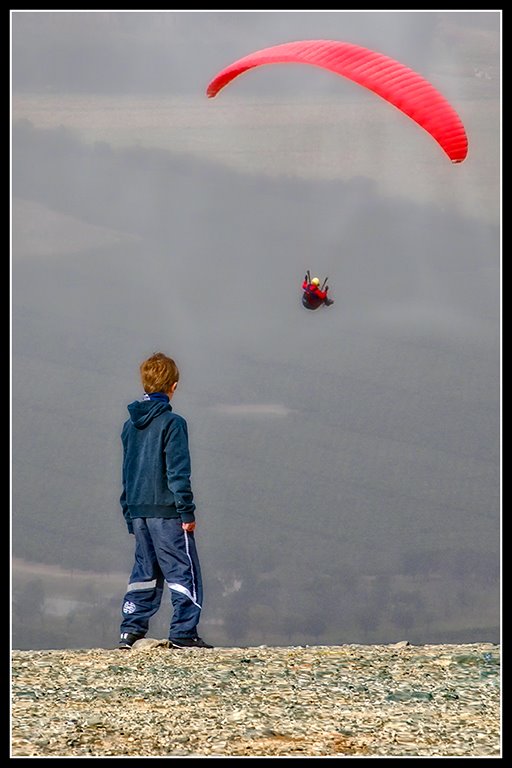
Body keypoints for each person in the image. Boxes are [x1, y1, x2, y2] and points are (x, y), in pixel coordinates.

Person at [118, 351, 213, 650]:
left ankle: (131, 630)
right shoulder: (173, 423)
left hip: (138, 510)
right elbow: (178, 473)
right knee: (183, 570)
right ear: (173, 386)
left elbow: (127, 471)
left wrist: (128, 511)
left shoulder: (129, 426)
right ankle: (184, 632)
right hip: (167, 511)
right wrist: (187, 512)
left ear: (145, 384)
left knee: (144, 572)